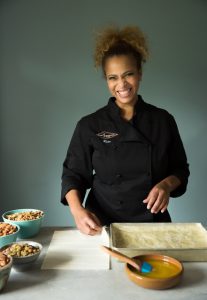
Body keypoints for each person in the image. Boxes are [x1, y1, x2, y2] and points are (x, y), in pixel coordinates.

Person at [61, 25, 190, 235]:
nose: (121, 84)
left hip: (152, 223)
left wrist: (166, 185)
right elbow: (72, 175)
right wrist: (78, 211)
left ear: (139, 74)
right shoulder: (90, 125)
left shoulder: (163, 120)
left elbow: (180, 170)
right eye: (113, 77)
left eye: (128, 74)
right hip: (102, 225)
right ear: (107, 80)